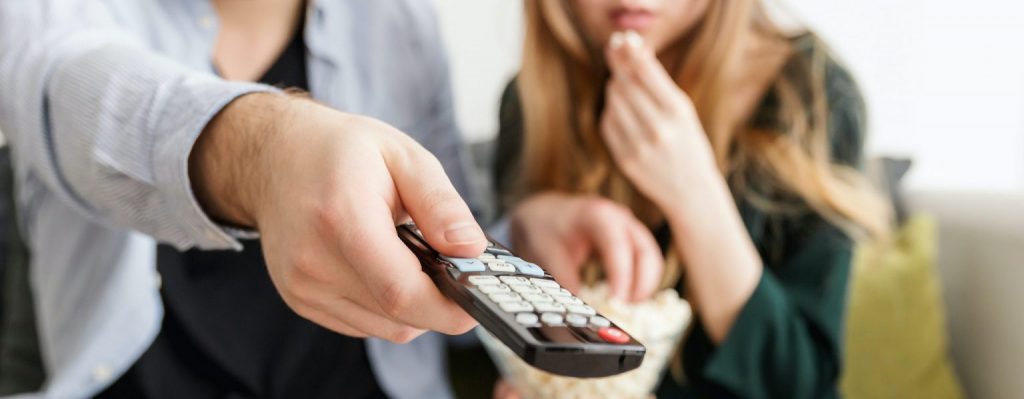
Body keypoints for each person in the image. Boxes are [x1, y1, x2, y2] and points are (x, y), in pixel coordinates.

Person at [0, 0, 488, 397]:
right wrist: (265, 156)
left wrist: (533, 221)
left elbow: (457, 231)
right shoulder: (52, 13)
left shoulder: (400, 21)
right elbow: (75, 88)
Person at [491, 0, 891, 397]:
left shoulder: (812, 97)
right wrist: (525, 224)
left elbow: (800, 384)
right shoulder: (532, 104)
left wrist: (696, 195)